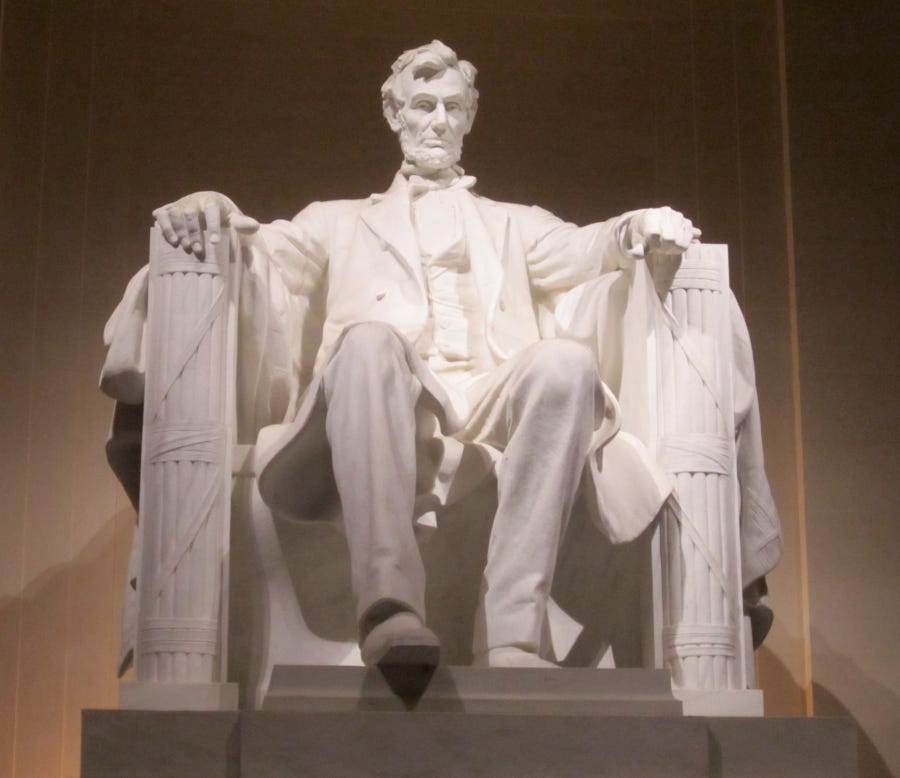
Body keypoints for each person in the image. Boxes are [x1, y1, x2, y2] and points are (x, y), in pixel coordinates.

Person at [149, 40, 705, 669]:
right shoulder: (335, 221)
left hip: (489, 397)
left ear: (470, 118)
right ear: (395, 115)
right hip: (386, 396)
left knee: (566, 363)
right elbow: (265, 253)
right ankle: (389, 610)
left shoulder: (515, 222)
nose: (438, 121)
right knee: (368, 341)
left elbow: (586, 248)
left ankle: (514, 632)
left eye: (452, 108)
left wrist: (634, 227)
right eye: (422, 105)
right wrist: (214, 211)